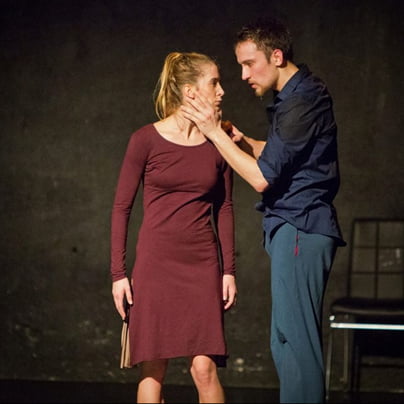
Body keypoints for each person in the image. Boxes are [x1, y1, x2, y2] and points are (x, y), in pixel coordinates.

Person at [181, 18, 345, 404]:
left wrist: (213, 131)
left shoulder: (303, 99)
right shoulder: (296, 97)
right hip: (293, 227)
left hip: (301, 226)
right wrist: (244, 142)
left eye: (249, 63)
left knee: (297, 343)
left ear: (277, 56)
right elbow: (285, 156)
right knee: (284, 340)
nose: (243, 75)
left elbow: (261, 178)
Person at [110, 52, 237, 403]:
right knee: (153, 369)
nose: (222, 91)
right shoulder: (145, 140)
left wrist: (229, 270)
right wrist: (119, 274)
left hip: (201, 264)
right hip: (156, 265)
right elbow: (121, 207)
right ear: (190, 90)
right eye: (214, 82)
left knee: (204, 369)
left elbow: (225, 208)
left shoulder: (219, 142)